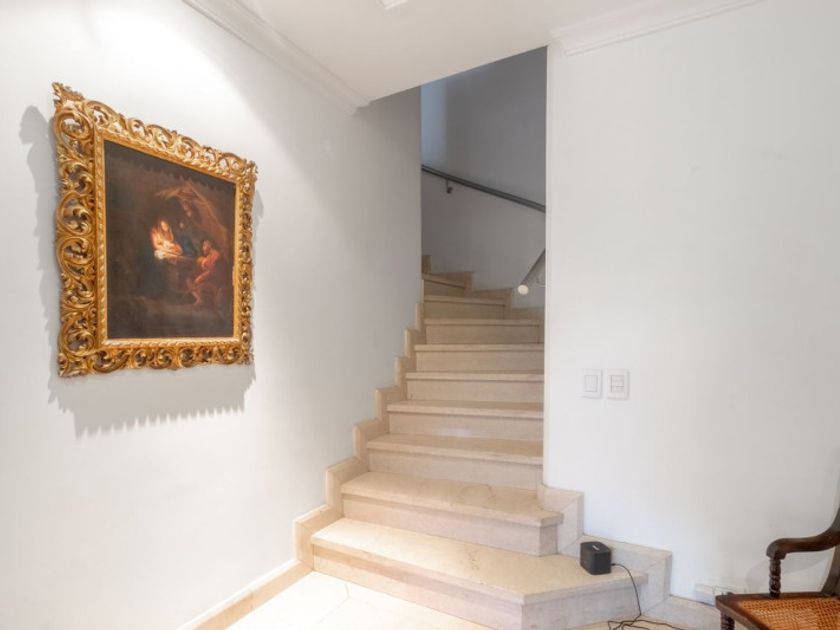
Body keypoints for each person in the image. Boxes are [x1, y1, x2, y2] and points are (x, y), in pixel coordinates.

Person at [188, 239, 225, 307]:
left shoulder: (215, 255)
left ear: (209, 245)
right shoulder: (210, 255)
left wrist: (200, 278)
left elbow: (211, 271)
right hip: (210, 278)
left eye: (204, 245)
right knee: (190, 279)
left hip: (215, 281)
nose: (203, 248)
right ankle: (200, 299)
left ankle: (202, 300)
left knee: (198, 284)